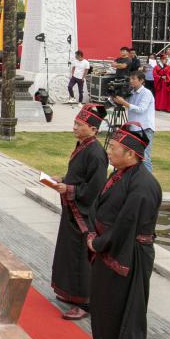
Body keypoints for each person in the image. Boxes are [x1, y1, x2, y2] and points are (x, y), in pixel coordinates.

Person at [85, 123, 161, 339]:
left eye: (114, 148)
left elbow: (126, 224)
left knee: (130, 307)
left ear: (131, 154)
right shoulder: (120, 173)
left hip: (131, 251)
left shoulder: (143, 184)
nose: (110, 152)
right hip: (111, 243)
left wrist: (99, 243)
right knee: (106, 299)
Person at [50, 104, 108, 320]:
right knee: (69, 253)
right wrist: (63, 180)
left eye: (79, 125)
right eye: (75, 123)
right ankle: (70, 293)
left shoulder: (96, 153)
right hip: (72, 210)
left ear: (93, 130)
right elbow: (78, 176)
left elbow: (95, 188)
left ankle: (85, 302)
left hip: (84, 214)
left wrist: (70, 189)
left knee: (82, 258)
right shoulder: (83, 146)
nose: (74, 127)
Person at [113, 71, 156, 173]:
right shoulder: (131, 92)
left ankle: (148, 184)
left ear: (141, 80)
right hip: (133, 128)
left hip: (145, 129)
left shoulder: (147, 93)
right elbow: (124, 104)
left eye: (133, 79)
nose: (131, 81)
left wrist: (124, 103)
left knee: (144, 158)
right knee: (132, 157)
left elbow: (141, 109)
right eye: (130, 79)